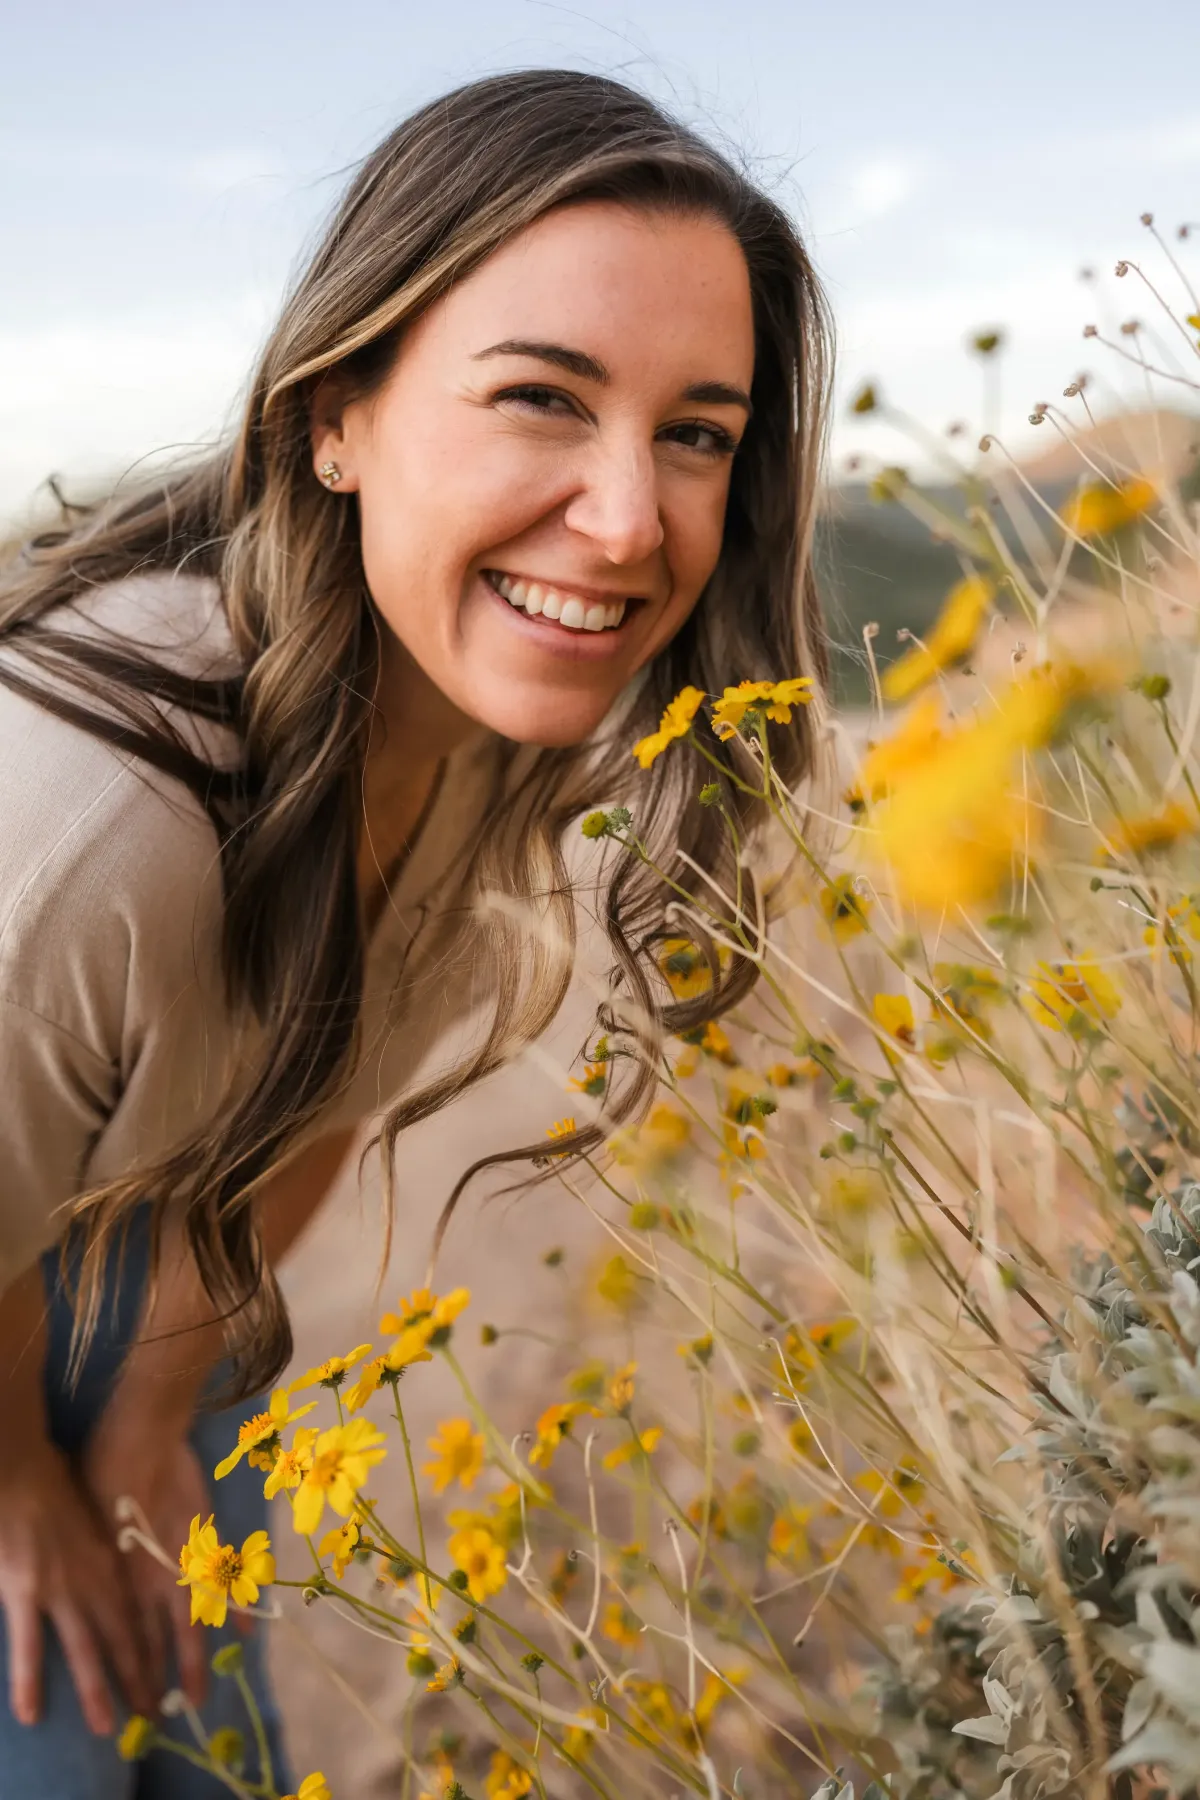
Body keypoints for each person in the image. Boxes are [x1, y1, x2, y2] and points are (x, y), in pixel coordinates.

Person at [0, 67, 832, 1797]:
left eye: (697, 431)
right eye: (543, 398)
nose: (632, 521)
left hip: (128, 1279)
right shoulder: (95, 820)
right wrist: (28, 1488)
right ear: (335, 417)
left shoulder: (470, 731)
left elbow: (314, 1100)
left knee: (197, 1745)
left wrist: (151, 1420)